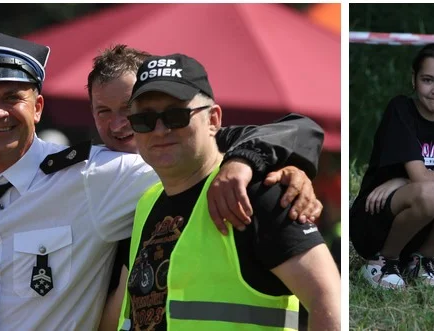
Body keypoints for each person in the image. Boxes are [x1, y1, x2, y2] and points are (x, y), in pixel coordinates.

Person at [0, 28, 325, 331]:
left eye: (134, 110)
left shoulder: (107, 172)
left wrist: (250, 161)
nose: (124, 125)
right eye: (104, 112)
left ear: (38, 107)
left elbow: (208, 142)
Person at [119, 53, 341, 330]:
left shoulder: (260, 192)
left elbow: (330, 300)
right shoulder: (147, 202)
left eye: (176, 116)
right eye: (144, 119)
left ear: (213, 119)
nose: (160, 130)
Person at [351, 44, 434, 290]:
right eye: (427, 80)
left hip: (422, 222)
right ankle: (383, 261)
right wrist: (412, 179)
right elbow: (424, 178)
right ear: (414, 79)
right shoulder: (401, 109)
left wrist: (403, 179)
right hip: (375, 220)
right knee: (429, 190)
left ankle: (420, 259)